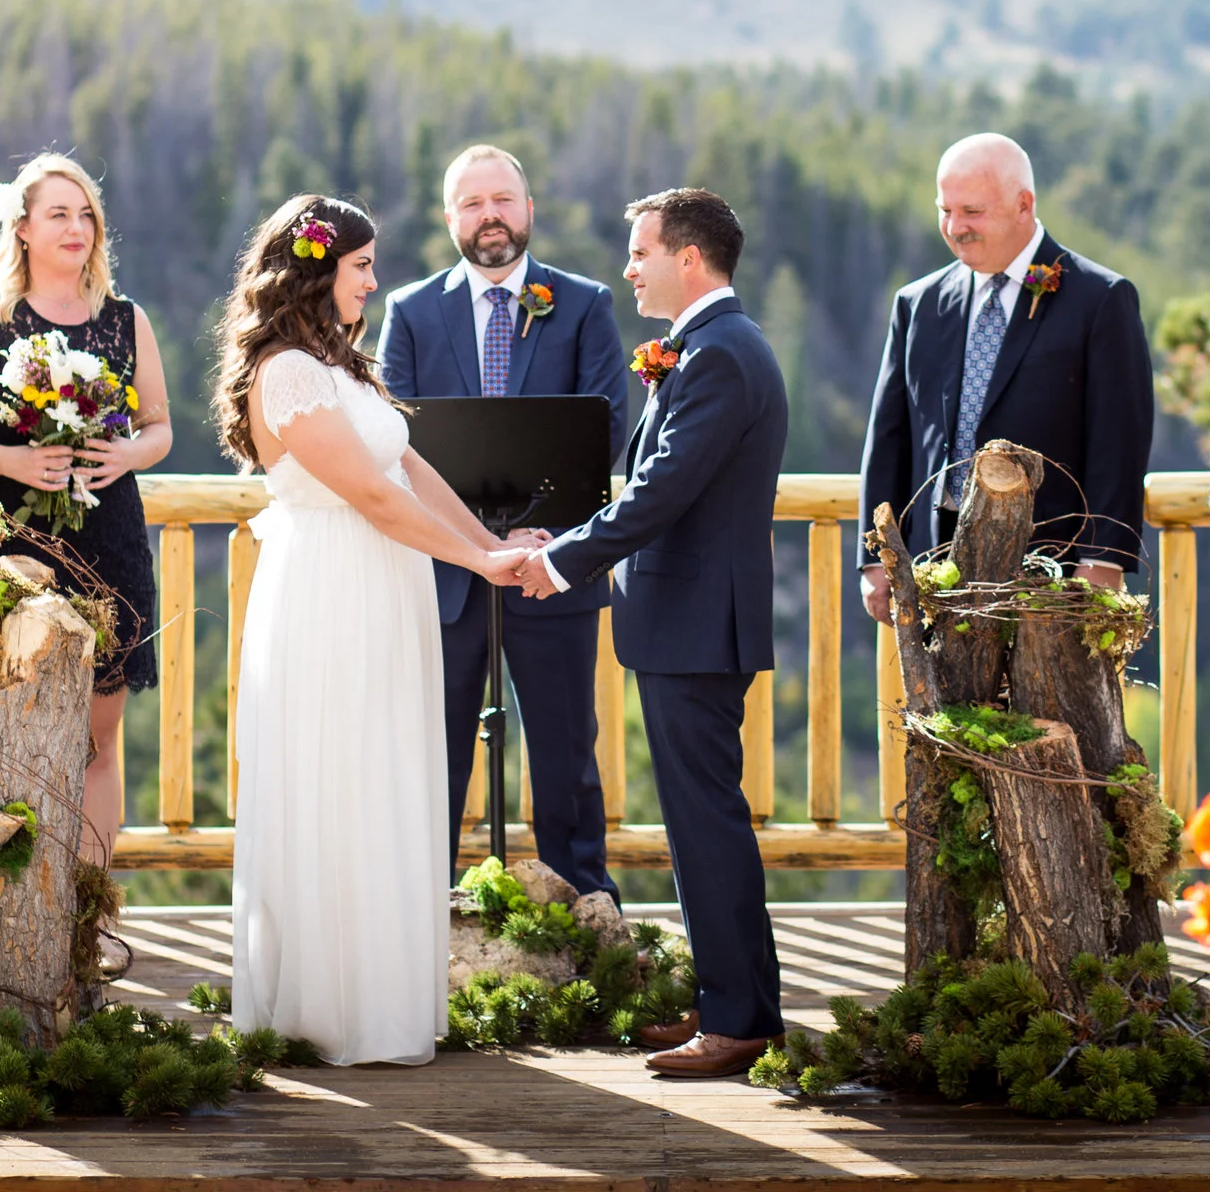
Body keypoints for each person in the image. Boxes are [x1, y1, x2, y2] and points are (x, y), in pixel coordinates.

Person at [217, 194, 530, 1066]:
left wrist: (488, 544)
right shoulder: (287, 372)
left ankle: (384, 996)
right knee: (337, 774)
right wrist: (478, 567)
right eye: (360, 266)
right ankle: (330, 1006)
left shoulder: (339, 365)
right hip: (331, 591)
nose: (372, 281)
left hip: (382, 586)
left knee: (383, 769)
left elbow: (411, 469)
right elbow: (372, 497)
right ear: (318, 271)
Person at [515, 188, 788, 1079]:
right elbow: (652, 486)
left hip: (697, 625)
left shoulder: (720, 355)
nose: (628, 269)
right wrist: (566, 536)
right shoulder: (711, 348)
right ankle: (732, 1000)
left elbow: (661, 491)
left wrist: (562, 561)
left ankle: (740, 1020)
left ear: (690, 258)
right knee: (700, 818)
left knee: (706, 822)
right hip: (686, 622)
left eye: (641, 252)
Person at [377, 144, 629, 895]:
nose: (489, 215)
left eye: (502, 200)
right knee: (436, 751)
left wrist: (527, 538)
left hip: (550, 564)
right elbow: (393, 440)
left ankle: (583, 908)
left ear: (528, 209)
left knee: (565, 752)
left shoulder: (584, 303)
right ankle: (421, 911)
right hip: (445, 571)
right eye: (472, 203)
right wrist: (478, 541)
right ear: (449, 218)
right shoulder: (411, 312)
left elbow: (603, 430)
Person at [0, 152, 173, 863]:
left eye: (86, 215)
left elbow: (160, 428)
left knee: (100, 736)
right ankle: (17, 906)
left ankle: (89, 903)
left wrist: (128, 453)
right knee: (14, 730)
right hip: (18, 550)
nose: (77, 228)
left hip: (112, 541)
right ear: (22, 229)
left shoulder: (126, 320)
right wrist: (12, 460)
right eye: (59, 215)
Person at [858, 132, 1154, 616]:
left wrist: (1102, 559)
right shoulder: (918, 304)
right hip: (933, 565)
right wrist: (877, 557)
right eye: (945, 210)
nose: (955, 227)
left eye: (972, 212)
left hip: (1052, 568)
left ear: (1023, 205)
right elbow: (889, 437)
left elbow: (1118, 441)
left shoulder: (1100, 300)